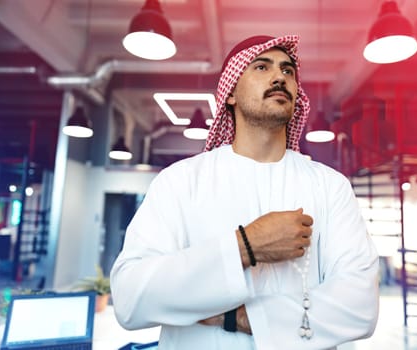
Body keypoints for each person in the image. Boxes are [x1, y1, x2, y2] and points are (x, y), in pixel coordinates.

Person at [110, 34, 379, 350]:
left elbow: (359, 305)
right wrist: (245, 245)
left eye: (288, 70)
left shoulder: (330, 186)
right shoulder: (180, 182)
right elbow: (130, 297)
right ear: (230, 94)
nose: (280, 76)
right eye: (262, 67)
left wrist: (237, 318)